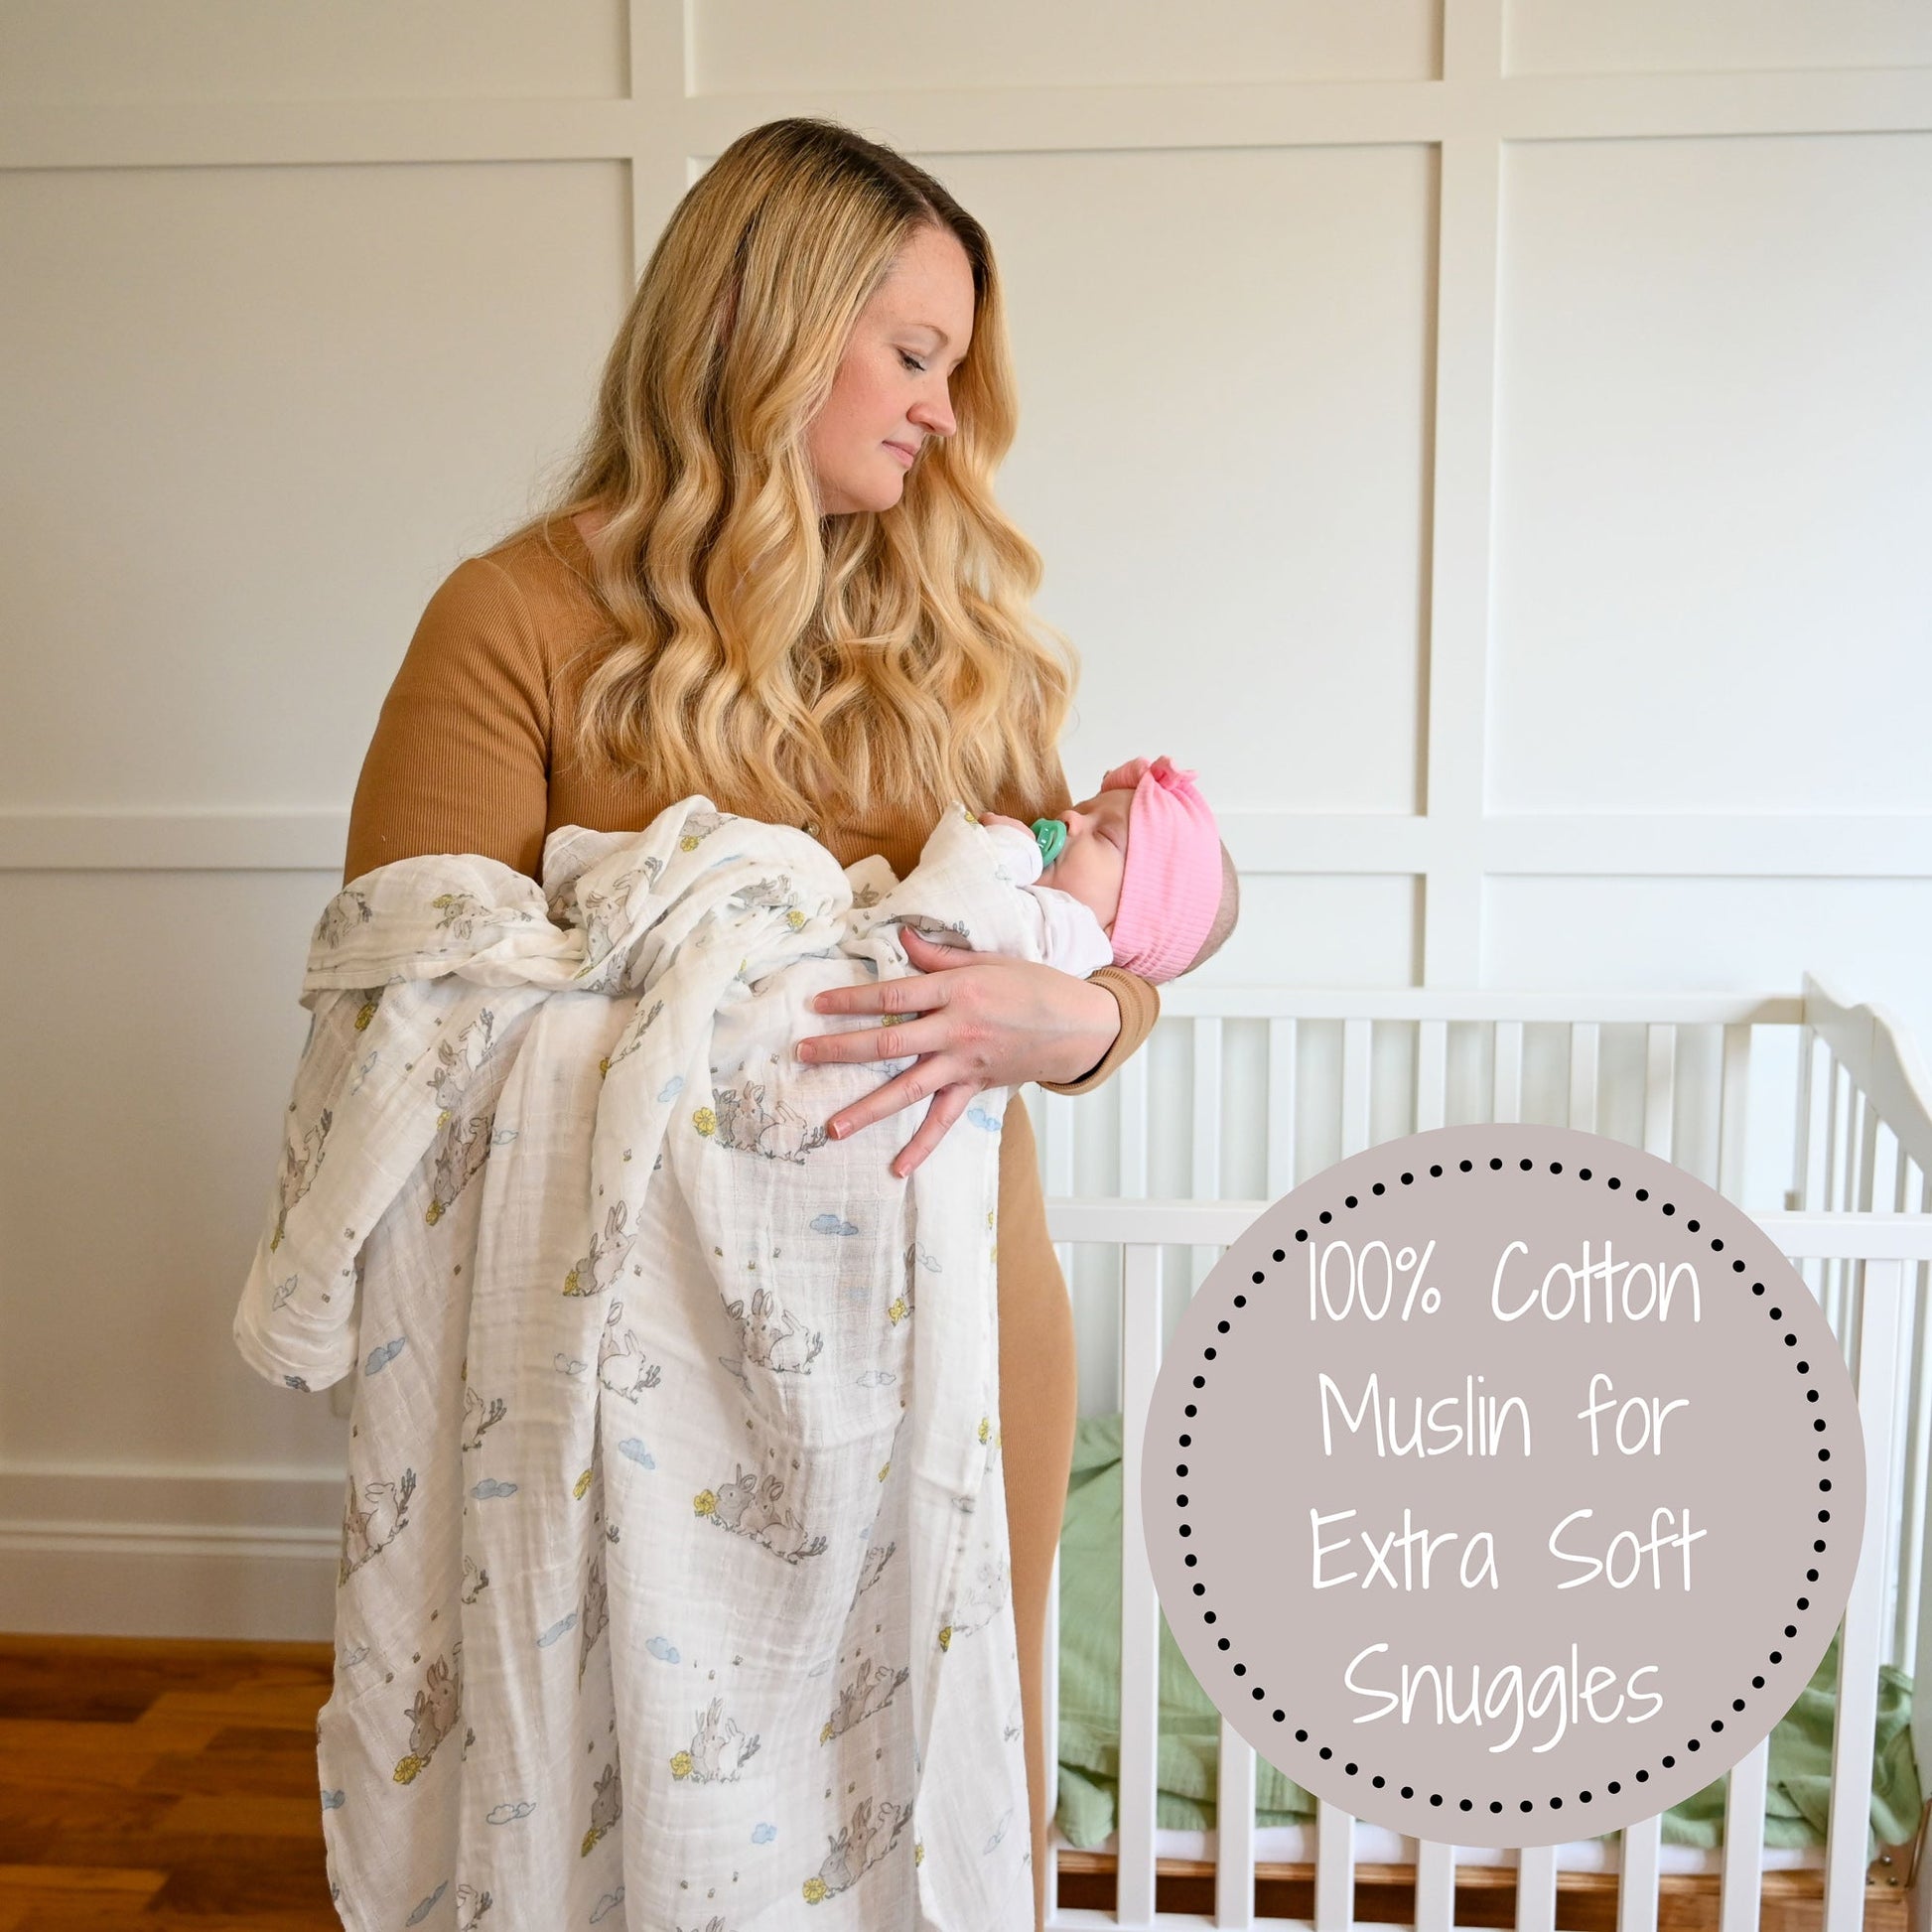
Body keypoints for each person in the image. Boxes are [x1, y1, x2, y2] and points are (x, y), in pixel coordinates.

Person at [340, 115, 1234, 1931]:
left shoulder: (952, 647)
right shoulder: (514, 621)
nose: (942, 414)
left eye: (955, 370)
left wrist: (1084, 1021)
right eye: (911, 354)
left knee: (937, 1778)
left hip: (956, 1321)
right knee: (624, 1800)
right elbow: (408, 1029)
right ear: (768, 327)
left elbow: (1092, 924)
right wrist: (714, 998)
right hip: (620, 1364)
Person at [977, 753, 1237, 984]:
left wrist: (1001, 846)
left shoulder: (1060, 955)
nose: (1069, 816)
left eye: (1104, 835)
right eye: (1083, 809)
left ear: (1123, 930)